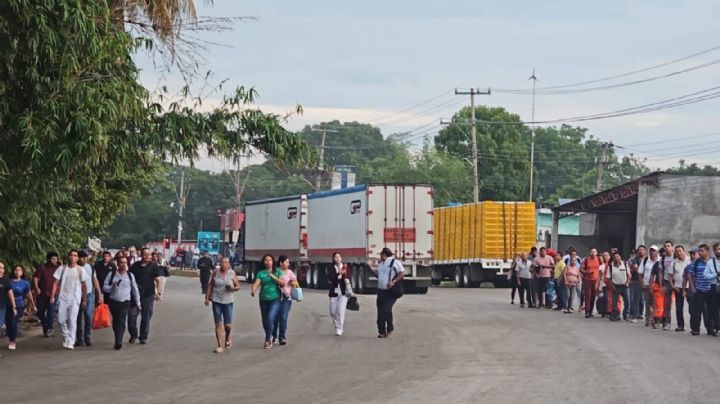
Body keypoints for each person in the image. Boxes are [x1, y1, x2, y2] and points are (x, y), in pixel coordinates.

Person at [50, 250, 89, 350]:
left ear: (77, 258)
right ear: (68, 257)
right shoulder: (62, 269)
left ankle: (71, 341)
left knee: (72, 321)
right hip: (63, 298)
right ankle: (66, 336)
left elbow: (84, 286)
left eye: (75, 255)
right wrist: (53, 295)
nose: (72, 257)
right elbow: (55, 282)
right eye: (71, 255)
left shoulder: (80, 270)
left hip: (75, 298)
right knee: (60, 320)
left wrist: (84, 299)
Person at [103, 256, 140, 350]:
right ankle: (117, 336)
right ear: (118, 264)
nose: (124, 265)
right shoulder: (111, 275)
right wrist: (112, 287)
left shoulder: (130, 275)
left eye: (125, 263)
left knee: (121, 320)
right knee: (116, 321)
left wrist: (138, 303)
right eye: (121, 263)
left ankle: (118, 341)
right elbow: (104, 288)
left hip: (125, 302)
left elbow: (135, 289)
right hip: (114, 302)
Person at [128, 247, 163, 344]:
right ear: (140, 255)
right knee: (131, 315)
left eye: (148, 254)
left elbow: (158, 280)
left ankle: (143, 336)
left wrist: (159, 293)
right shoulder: (135, 266)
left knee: (146, 316)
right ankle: (133, 334)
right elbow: (129, 279)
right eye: (144, 254)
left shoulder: (153, 266)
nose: (146, 256)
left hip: (148, 294)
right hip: (135, 295)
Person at [205, 256, 240, 353]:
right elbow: (210, 285)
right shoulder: (215, 273)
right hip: (216, 300)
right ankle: (219, 345)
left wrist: (233, 288)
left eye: (226, 263)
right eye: (222, 262)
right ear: (219, 263)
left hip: (228, 301)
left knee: (227, 325)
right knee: (218, 323)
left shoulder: (232, 273)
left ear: (229, 264)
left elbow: (238, 286)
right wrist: (207, 298)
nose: (224, 264)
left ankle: (228, 336)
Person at [251, 254, 285, 349]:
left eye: (270, 260)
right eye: (266, 260)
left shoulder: (278, 271)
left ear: (273, 262)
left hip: (275, 299)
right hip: (263, 299)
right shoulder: (261, 273)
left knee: (270, 318)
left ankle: (267, 340)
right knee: (265, 321)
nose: (268, 262)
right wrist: (253, 290)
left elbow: (283, 283)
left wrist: (273, 277)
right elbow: (257, 283)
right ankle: (272, 334)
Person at [370, 247, 405, 338]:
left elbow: (402, 273)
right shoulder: (381, 264)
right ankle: (382, 331)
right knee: (380, 312)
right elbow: (379, 275)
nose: (380, 256)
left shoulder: (394, 262)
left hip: (390, 292)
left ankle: (389, 328)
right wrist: (371, 269)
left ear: (384, 254)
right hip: (381, 291)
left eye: (380, 254)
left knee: (386, 310)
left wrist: (393, 282)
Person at [687, 244, 718, 336]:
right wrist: (693, 287)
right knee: (696, 311)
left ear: (707, 251)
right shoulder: (696, 263)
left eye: (702, 251)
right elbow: (689, 274)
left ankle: (711, 329)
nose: (700, 253)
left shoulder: (713, 262)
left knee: (710, 311)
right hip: (699, 290)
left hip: (711, 290)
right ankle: (696, 329)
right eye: (699, 251)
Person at [76, 250, 103, 346]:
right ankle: (79, 338)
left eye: (85, 257)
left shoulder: (90, 267)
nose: (83, 259)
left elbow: (95, 280)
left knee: (88, 315)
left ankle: (87, 336)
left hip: (89, 293)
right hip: (77, 294)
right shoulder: (74, 267)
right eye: (81, 257)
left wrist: (99, 294)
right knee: (77, 317)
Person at [7, 265, 35, 350]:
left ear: (22, 272)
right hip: (7, 305)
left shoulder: (24, 283)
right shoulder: (8, 281)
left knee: (13, 321)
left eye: (19, 270)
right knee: (8, 323)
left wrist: (33, 304)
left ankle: (12, 341)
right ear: (13, 271)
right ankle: (10, 337)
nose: (17, 272)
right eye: (16, 270)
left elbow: (28, 294)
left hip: (19, 305)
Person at [34, 252, 60, 337]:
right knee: (40, 311)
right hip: (42, 293)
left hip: (54, 293)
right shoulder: (42, 268)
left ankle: (49, 327)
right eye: (53, 259)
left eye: (56, 259)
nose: (55, 260)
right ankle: (46, 326)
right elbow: (36, 278)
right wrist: (36, 287)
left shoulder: (58, 268)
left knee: (51, 311)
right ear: (48, 259)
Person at [272, 255, 297, 345]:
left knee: (283, 317)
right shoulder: (275, 272)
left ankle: (282, 337)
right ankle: (273, 336)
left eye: (288, 262)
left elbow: (295, 284)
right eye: (286, 262)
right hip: (275, 298)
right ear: (281, 263)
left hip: (286, 298)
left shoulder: (290, 273)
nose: (288, 263)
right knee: (274, 318)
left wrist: (292, 282)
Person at [651, 241, 675, 330]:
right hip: (666, 282)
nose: (667, 247)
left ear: (672, 247)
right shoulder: (663, 259)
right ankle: (666, 322)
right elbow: (660, 272)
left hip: (676, 282)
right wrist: (661, 285)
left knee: (674, 304)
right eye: (665, 246)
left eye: (669, 246)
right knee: (666, 303)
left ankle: (680, 324)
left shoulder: (675, 257)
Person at [328, 252, 353, 336]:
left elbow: (349, 278)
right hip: (334, 292)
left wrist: (351, 291)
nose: (337, 258)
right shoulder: (331, 267)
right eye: (336, 257)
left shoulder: (346, 267)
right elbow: (331, 278)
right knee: (333, 311)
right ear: (333, 259)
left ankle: (340, 328)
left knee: (340, 311)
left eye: (339, 257)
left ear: (341, 258)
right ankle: (336, 325)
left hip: (344, 292)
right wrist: (338, 274)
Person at [669, 245, 690, 332]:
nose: (678, 253)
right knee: (679, 308)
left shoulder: (689, 261)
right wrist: (673, 286)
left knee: (692, 308)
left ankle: (694, 326)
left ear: (683, 251)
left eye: (680, 251)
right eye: (677, 251)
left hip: (689, 287)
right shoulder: (673, 262)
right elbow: (670, 276)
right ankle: (680, 325)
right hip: (678, 288)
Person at [606, 251, 630, 322]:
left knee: (627, 302)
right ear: (613, 258)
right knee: (614, 302)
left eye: (618, 257)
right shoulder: (610, 266)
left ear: (620, 257)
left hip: (624, 285)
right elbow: (608, 278)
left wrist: (627, 282)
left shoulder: (625, 264)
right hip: (615, 286)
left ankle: (626, 315)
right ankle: (615, 316)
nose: (616, 258)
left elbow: (628, 275)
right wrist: (612, 286)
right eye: (615, 257)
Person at [641, 245, 660, 327]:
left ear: (657, 252)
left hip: (657, 285)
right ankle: (648, 319)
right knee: (648, 303)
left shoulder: (660, 261)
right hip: (647, 285)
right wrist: (642, 283)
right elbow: (640, 273)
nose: (652, 252)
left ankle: (655, 319)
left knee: (656, 303)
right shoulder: (645, 260)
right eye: (651, 250)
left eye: (654, 250)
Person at [580, 248, 601, 318]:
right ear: (589, 253)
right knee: (588, 296)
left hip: (596, 280)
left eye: (594, 252)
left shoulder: (599, 259)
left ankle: (591, 311)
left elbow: (602, 268)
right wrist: (587, 272)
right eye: (591, 252)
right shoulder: (585, 260)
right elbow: (581, 269)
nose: (593, 253)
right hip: (587, 280)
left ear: (596, 252)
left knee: (593, 296)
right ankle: (587, 312)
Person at [628, 246, 647, 323]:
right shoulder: (634, 260)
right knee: (634, 299)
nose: (641, 251)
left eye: (642, 250)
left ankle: (640, 313)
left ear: (645, 251)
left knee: (642, 299)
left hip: (645, 281)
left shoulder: (647, 260)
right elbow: (636, 268)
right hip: (635, 280)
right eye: (639, 250)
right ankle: (633, 314)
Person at [0, 263, 16, 346]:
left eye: (3, 268)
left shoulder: (5, 280)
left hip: (1, 307)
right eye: (0, 268)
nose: (1, 270)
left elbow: (10, 293)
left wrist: (14, 306)